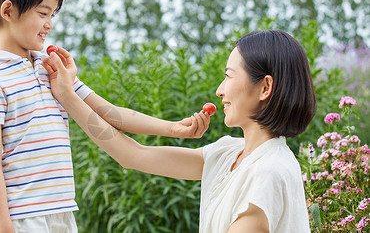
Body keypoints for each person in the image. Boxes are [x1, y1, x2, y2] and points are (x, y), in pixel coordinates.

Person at [0, 0, 209, 233]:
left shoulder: (52, 70)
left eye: (53, 14)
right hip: (22, 220)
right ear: (8, 10)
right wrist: (5, 229)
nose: (50, 24)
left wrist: (174, 128)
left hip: (61, 214)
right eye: (43, 13)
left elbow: (109, 113)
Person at [42, 29, 316, 233]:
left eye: (229, 76)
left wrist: (69, 95)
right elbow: (131, 155)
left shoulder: (268, 172)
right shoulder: (228, 153)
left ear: (265, 88)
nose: (220, 90)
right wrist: (71, 92)